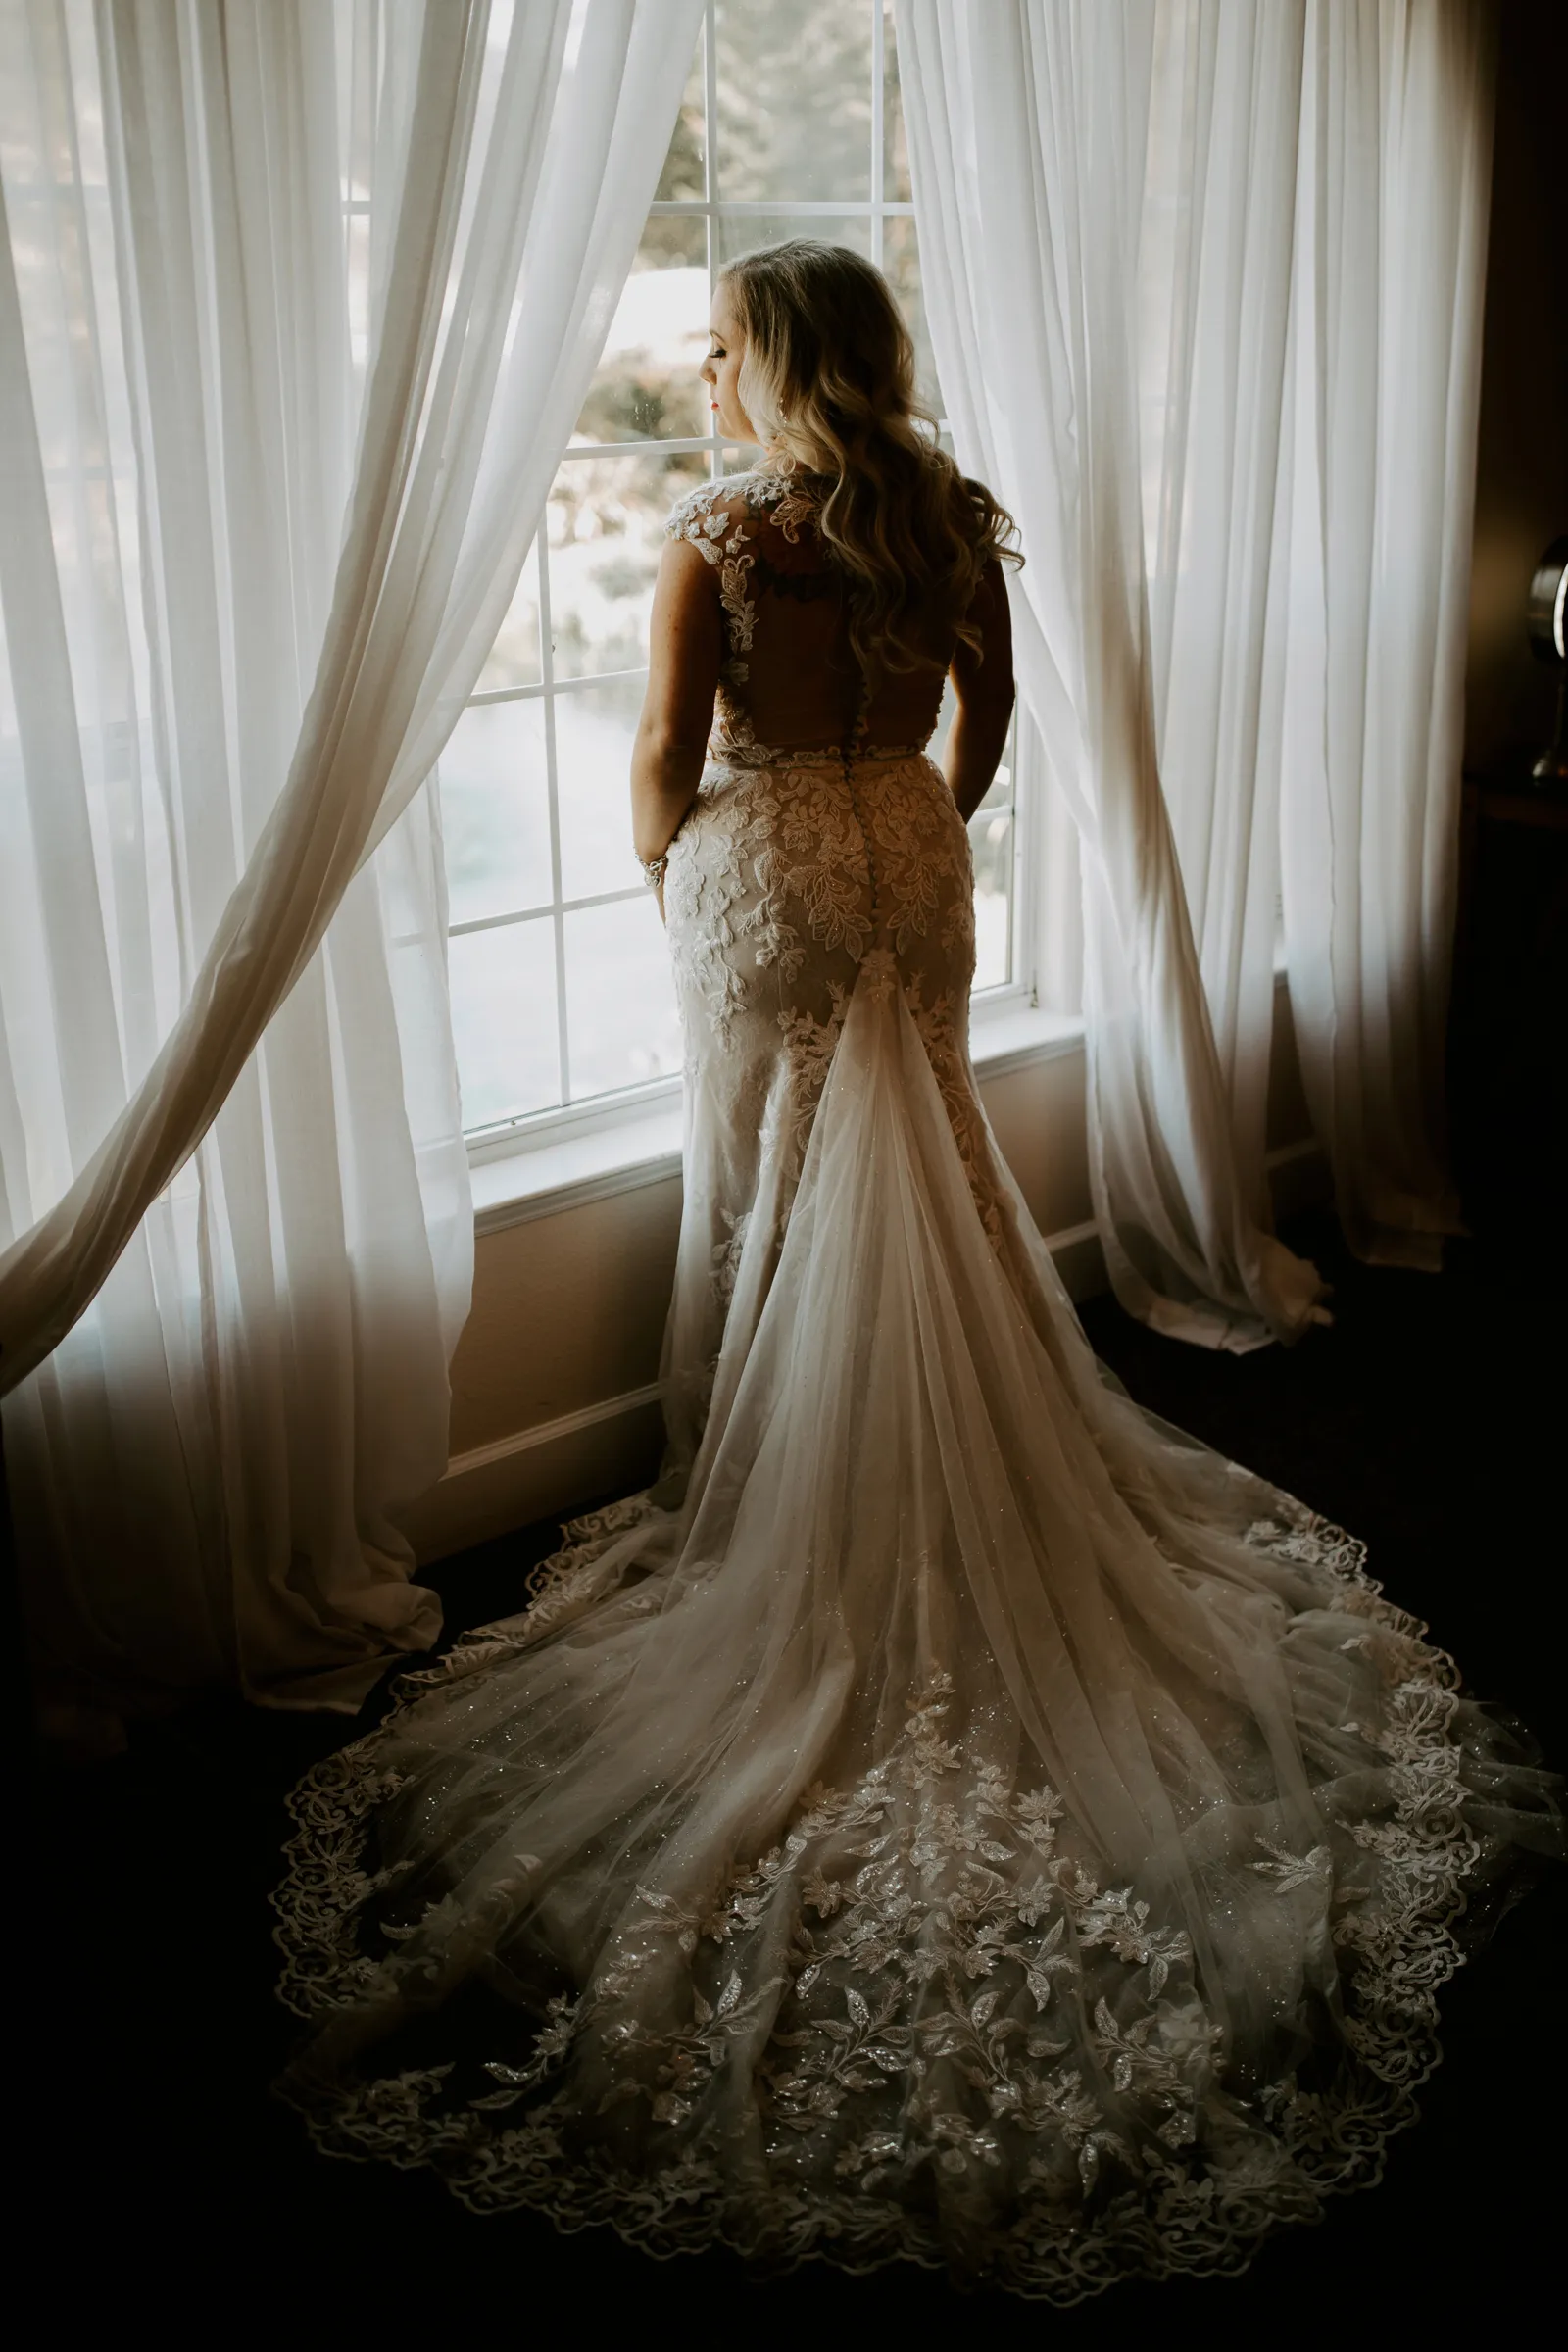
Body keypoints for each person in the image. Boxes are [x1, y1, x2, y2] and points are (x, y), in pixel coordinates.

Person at [274, 243, 1559, 2298]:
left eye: (719, 347)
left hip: (769, 856)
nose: (700, 373)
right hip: (908, 853)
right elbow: (993, 718)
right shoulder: (944, 518)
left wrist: (692, 866)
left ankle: (768, 1482)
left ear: (777, 365)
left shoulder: (724, 531)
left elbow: (660, 750)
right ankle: (912, 1445)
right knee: (930, 1157)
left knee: (775, 1170)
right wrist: (910, 816)